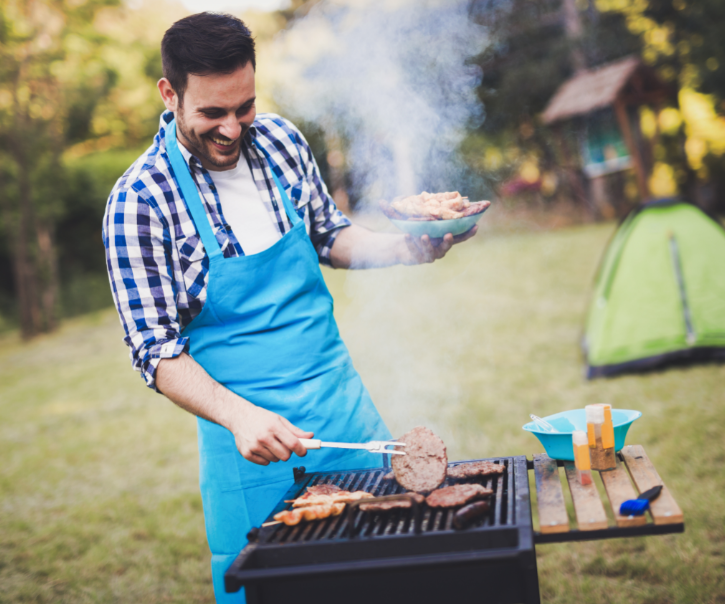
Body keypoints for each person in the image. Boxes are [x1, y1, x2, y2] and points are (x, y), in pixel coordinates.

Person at [102, 12, 476, 603]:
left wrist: (407, 248)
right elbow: (155, 351)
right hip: (251, 447)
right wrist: (239, 416)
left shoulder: (279, 140)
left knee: (397, 581)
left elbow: (331, 235)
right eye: (211, 113)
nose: (232, 128)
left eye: (243, 106)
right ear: (169, 94)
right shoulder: (137, 204)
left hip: (345, 415)